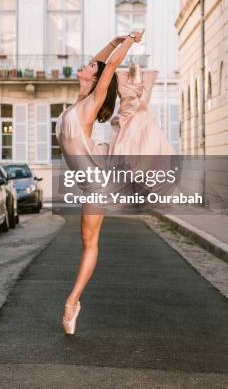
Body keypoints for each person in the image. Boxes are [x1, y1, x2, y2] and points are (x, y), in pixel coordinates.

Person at [56, 30, 175, 334]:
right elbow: (100, 63)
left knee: (89, 244)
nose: (87, 65)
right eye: (88, 65)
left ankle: (72, 303)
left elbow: (106, 68)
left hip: (97, 179)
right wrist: (114, 40)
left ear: (95, 80)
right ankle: (73, 302)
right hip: (88, 177)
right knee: (88, 242)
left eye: (90, 67)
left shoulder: (91, 102)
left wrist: (129, 43)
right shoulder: (78, 100)